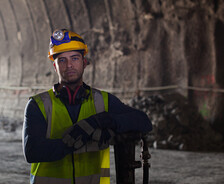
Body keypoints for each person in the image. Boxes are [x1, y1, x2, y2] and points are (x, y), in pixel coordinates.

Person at [22, 29, 152, 184]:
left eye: (75, 58)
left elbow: (144, 121)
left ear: (84, 62)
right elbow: (32, 152)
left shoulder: (103, 101)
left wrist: (101, 121)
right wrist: (76, 138)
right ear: (55, 67)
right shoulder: (38, 105)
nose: (69, 65)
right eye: (62, 60)